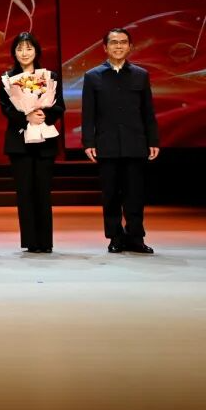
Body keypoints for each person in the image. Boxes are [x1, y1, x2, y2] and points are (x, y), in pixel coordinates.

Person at [82, 28, 160, 254]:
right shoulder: (93, 76)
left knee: (135, 194)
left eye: (123, 42)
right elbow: (88, 114)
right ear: (105, 48)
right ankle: (115, 237)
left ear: (130, 47)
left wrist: (153, 140)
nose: (118, 46)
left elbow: (148, 111)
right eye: (114, 42)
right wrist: (88, 142)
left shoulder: (140, 75)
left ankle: (136, 237)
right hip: (106, 144)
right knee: (111, 194)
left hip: (135, 142)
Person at [0, 32, 65, 254]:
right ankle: (30, 240)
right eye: (19, 49)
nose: (24, 53)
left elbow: (60, 106)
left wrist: (44, 115)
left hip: (45, 141)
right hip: (19, 142)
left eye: (28, 48)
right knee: (24, 192)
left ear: (36, 51)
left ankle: (45, 241)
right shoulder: (7, 78)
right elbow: (6, 108)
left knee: (43, 191)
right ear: (14, 53)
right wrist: (26, 116)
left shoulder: (50, 76)